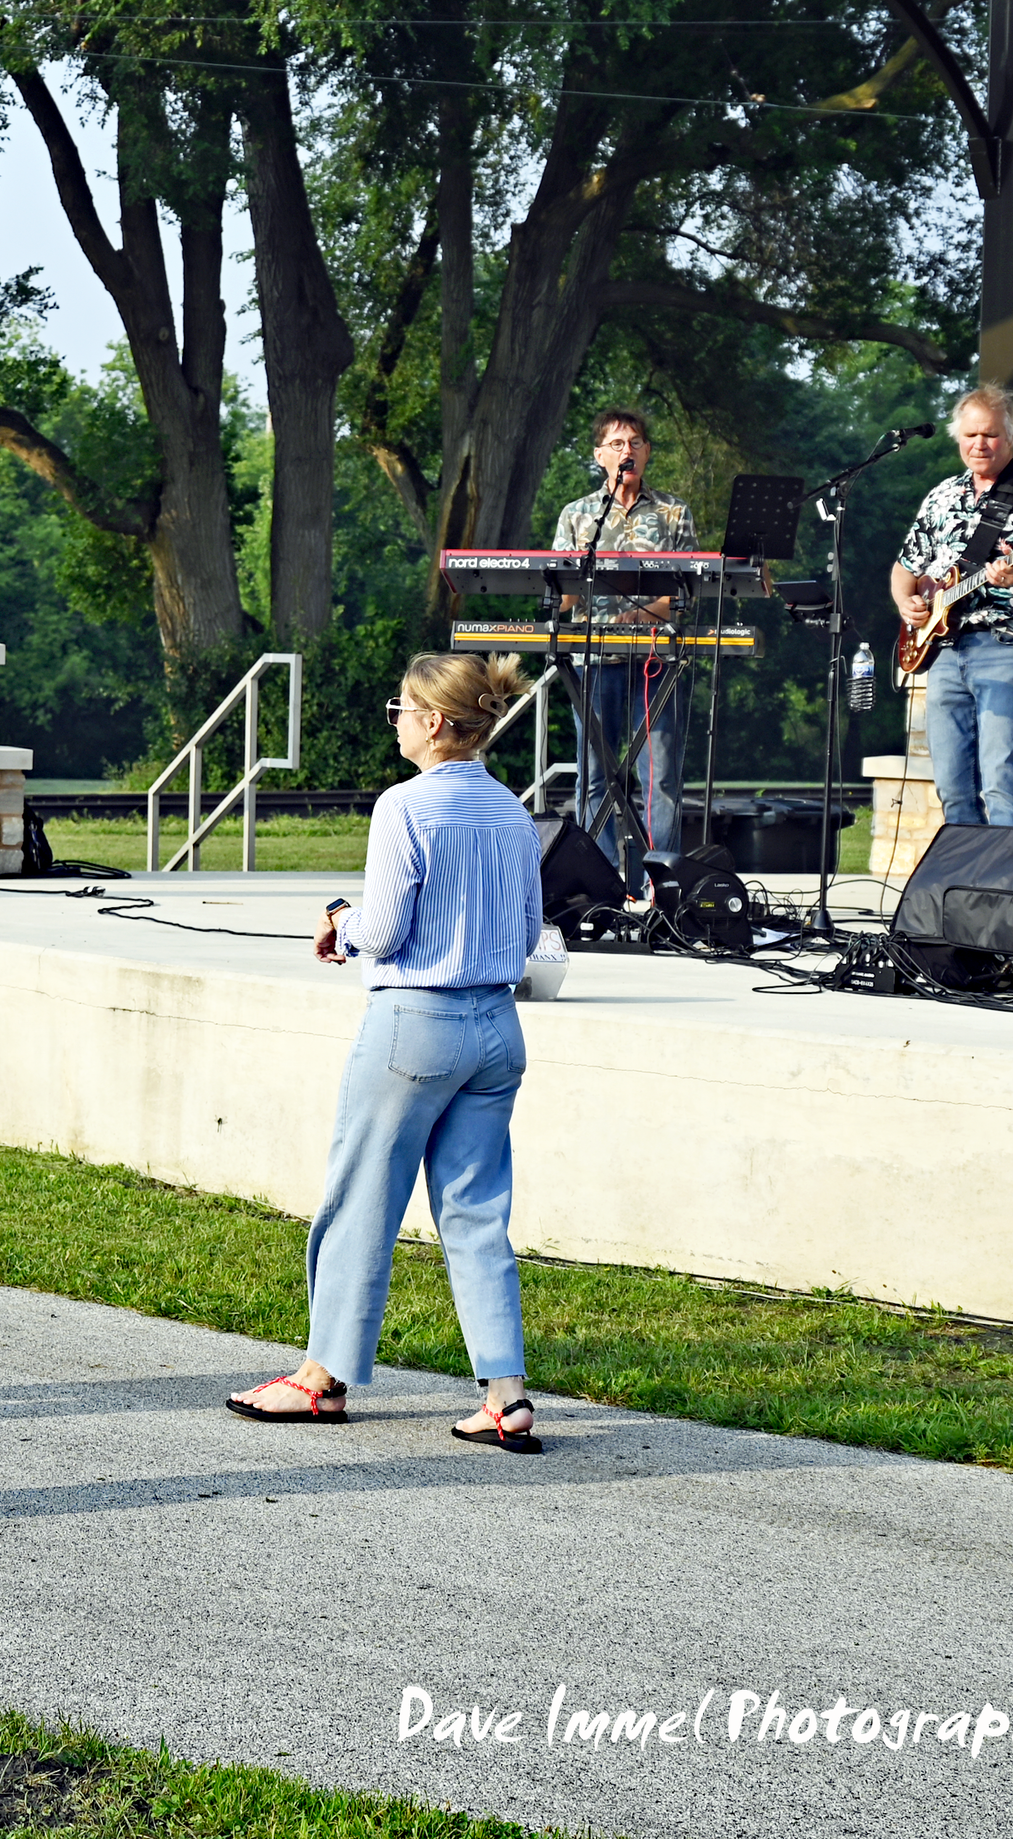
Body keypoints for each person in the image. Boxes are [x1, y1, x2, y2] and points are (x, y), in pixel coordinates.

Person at [228, 653, 546, 1452]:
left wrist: (341, 916)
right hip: (498, 1027)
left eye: (401, 708)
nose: (396, 720)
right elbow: (531, 929)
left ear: (435, 722)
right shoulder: (514, 811)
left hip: (415, 1022)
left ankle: (320, 1379)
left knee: (361, 1201)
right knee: (476, 1213)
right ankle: (506, 1397)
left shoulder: (405, 807)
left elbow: (390, 928)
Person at [890, 386, 1013, 830]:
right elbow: (904, 568)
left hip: (1007, 644)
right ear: (958, 437)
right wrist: (907, 604)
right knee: (952, 785)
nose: (979, 444)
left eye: (990, 435)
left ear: (1010, 437)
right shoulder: (942, 495)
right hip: (945, 650)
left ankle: (1010, 892)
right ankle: (966, 890)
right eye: (970, 434)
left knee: (1000, 779)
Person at [548, 408, 698, 889]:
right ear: (598, 455)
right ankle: (604, 879)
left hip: (656, 664)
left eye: (634, 442)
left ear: (647, 452)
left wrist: (641, 614)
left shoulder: (674, 512)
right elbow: (563, 591)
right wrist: (551, 592)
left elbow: (686, 591)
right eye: (615, 444)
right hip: (594, 665)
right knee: (594, 775)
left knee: (661, 777)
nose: (626, 451)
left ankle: (661, 880)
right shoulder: (577, 514)